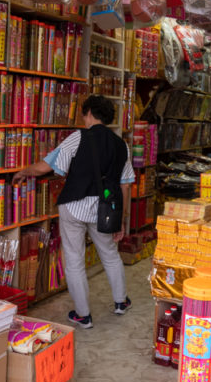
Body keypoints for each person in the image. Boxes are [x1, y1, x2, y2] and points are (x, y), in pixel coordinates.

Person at [12, 95, 134, 329]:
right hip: (105, 209)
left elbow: (46, 166)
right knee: (109, 253)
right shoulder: (122, 145)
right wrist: (122, 219)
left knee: (75, 260)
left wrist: (24, 172)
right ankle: (121, 302)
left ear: (88, 113)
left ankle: (83, 315)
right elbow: (125, 184)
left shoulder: (78, 137)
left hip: (74, 206)